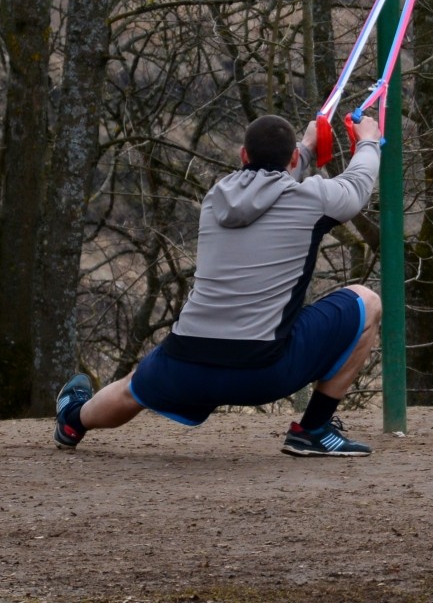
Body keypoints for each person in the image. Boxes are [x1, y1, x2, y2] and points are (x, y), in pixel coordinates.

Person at [53, 113, 383, 457]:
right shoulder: (314, 199)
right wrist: (368, 140)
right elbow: (357, 185)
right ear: (294, 160)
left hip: (186, 363)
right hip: (263, 371)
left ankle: (73, 421)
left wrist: (307, 147)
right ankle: (313, 429)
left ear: (243, 155)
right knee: (366, 302)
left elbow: (266, 186)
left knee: (131, 388)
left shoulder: (216, 199)